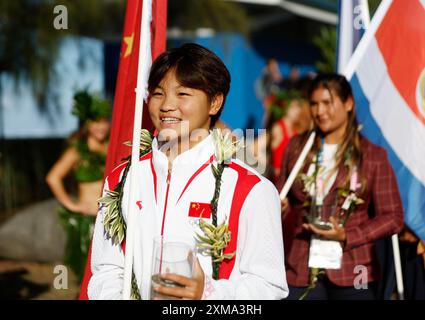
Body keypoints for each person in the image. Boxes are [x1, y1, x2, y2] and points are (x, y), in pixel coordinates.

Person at [87, 43, 288, 300]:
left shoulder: (250, 189)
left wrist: (207, 294)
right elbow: (106, 269)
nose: (167, 105)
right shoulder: (121, 180)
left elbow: (269, 288)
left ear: (215, 102)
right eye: (158, 93)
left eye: (182, 94)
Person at [277, 73, 404, 300]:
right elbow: (281, 196)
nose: (320, 111)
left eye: (327, 102)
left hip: (357, 269)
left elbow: (393, 217)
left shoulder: (372, 156)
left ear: (348, 103)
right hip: (301, 267)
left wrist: (348, 235)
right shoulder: (298, 148)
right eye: (314, 104)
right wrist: (279, 206)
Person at [46, 90, 110, 281]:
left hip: (110, 220)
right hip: (87, 219)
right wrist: (71, 205)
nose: (100, 127)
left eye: (104, 120)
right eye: (94, 121)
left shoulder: (111, 146)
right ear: (86, 123)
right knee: (86, 276)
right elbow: (53, 177)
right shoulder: (77, 151)